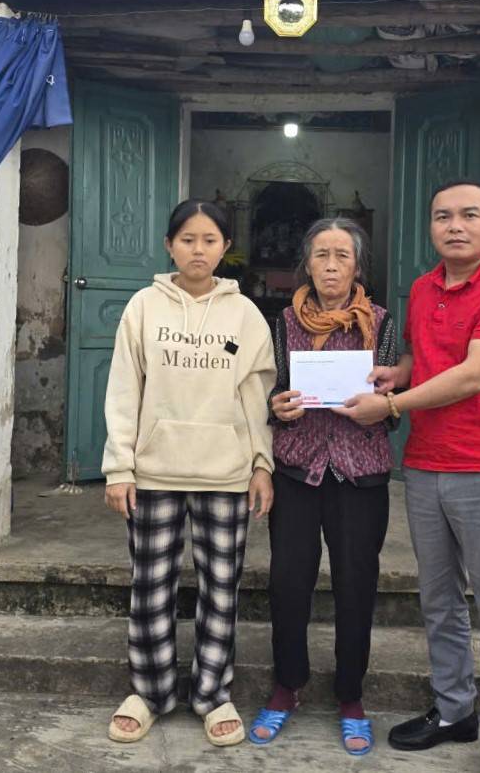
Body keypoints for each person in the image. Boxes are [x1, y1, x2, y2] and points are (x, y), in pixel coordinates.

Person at [334, 182, 480, 773]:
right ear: (431, 227)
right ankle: (454, 710)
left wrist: (392, 408)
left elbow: (474, 375)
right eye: (442, 216)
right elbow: (428, 362)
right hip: (423, 466)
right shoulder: (423, 290)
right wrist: (394, 374)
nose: (455, 226)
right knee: (439, 601)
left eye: (470, 215)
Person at [101, 199, 276, 748]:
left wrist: (261, 463)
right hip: (154, 471)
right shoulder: (143, 307)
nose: (198, 250)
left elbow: (256, 396)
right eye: (187, 239)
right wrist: (118, 467)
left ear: (226, 247)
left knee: (220, 589)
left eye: (209, 240)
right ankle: (148, 692)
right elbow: (125, 390)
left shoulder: (244, 316)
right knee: (150, 587)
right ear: (168, 245)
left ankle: (212, 694)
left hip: (224, 472)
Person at [248, 218, 399, 756]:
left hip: (361, 472)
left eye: (342, 255)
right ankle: (287, 686)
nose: (331, 265)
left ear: (358, 266)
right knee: (289, 583)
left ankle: (350, 696)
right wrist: (279, 409)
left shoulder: (381, 324)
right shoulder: (281, 321)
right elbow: (272, 393)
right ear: (306, 265)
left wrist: (381, 407)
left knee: (357, 585)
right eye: (321, 255)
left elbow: (393, 403)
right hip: (297, 469)